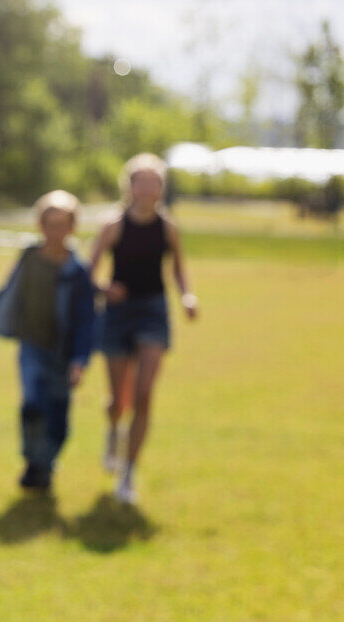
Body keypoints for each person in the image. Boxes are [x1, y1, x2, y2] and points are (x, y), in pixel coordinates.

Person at [89, 154, 198, 505]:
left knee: (144, 394)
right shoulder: (113, 226)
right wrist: (106, 289)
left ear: (160, 189)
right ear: (130, 186)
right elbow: (88, 272)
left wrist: (187, 296)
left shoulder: (168, 227)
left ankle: (128, 472)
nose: (148, 189)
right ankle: (113, 430)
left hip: (153, 311)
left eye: (155, 182)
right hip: (119, 312)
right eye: (142, 182)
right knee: (119, 398)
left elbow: (179, 269)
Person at [0, 190, 96, 490]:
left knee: (58, 415)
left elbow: (87, 321)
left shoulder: (79, 270)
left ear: (72, 227)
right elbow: (10, 290)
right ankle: (34, 462)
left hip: (64, 352)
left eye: (62, 224)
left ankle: (46, 462)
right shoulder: (30, 256)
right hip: (32, 346)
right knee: (33, 404)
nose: (55, 231)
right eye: (49, 223)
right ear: (40, 225)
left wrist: (79, 361)